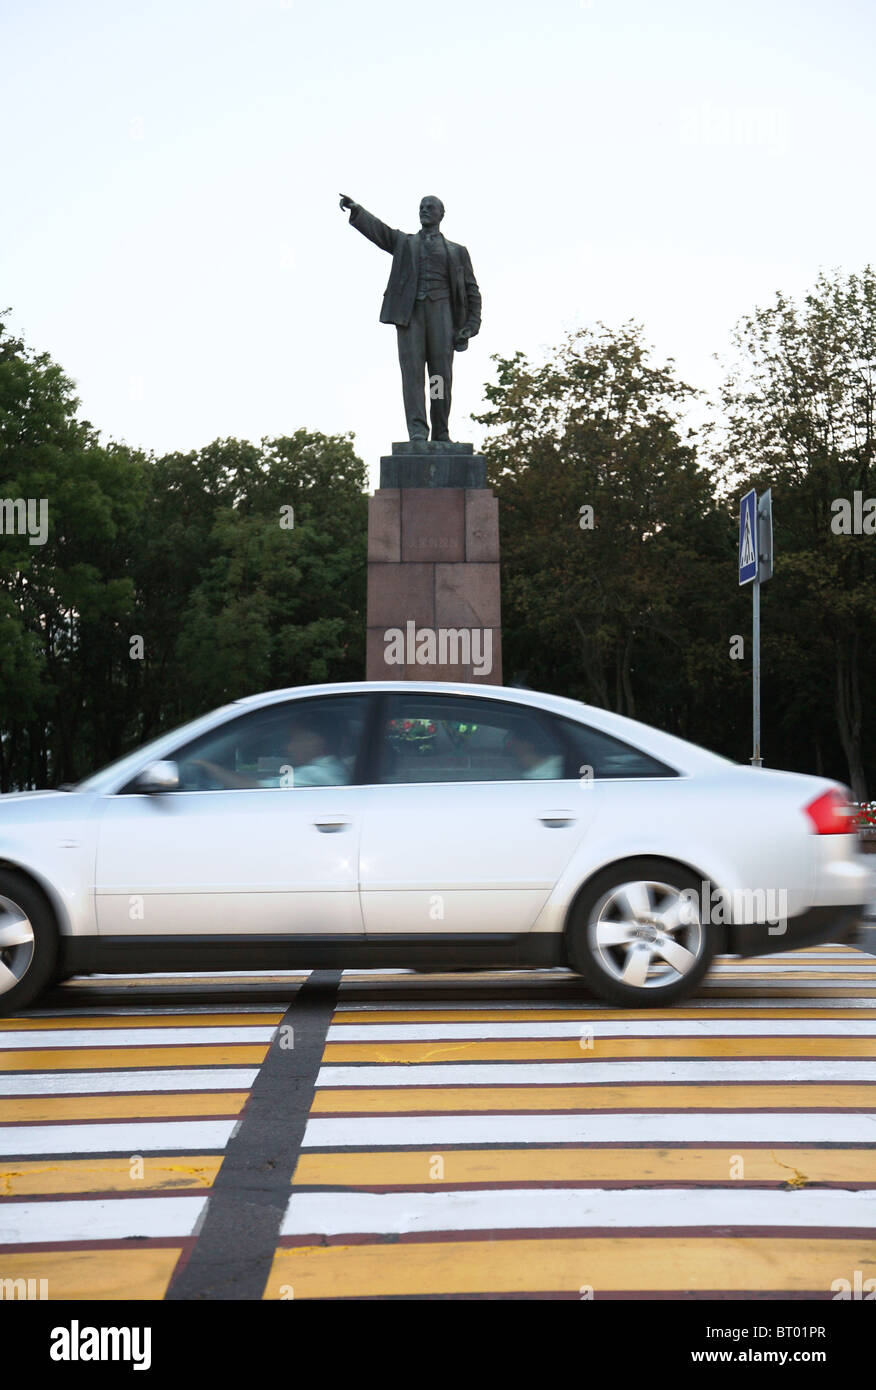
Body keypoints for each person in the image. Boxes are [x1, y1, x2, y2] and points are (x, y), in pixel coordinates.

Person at [338, 193, 481, 442]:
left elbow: (471, 291)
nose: (424, 210)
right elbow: (380, 232)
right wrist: (357, 210)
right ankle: (417, 430)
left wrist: (470, 325)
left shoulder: (457, 251)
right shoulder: (405, 243)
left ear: (441, 214)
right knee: (413, 376)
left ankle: (440, 430)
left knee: (439, 378)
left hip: (442, 316)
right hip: (411, 317)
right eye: (421, 207)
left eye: (430, 207)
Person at [189, 713, 350, 789]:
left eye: (295, 740)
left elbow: (252, 788)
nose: (288, 747)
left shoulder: (318, 774)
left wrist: (206, 765)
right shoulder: (334, 768)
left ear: (316, 742)